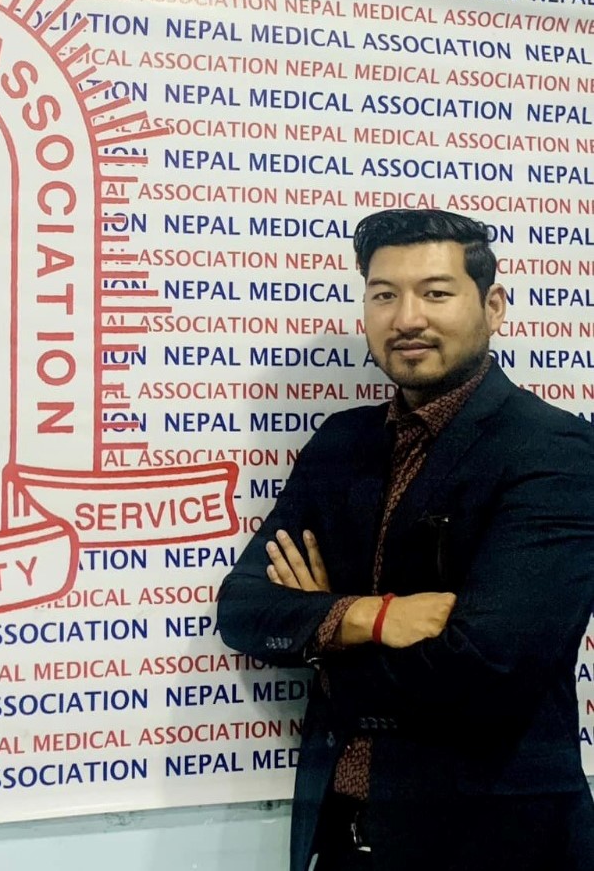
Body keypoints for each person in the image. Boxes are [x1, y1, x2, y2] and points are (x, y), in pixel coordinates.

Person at [215, 208, 594, 871]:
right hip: (342, 838)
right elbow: (244, 609)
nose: (407, 318)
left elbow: (489, 669)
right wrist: (371, 617)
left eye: (436, 293)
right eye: (384, 295)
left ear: (493, 307)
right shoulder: (343, 442)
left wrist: (321, 641)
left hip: (497, 845)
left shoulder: (554, 450)